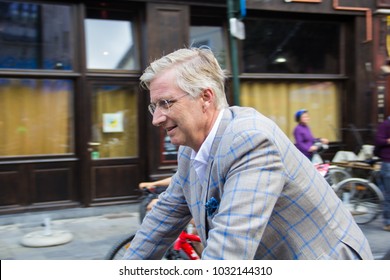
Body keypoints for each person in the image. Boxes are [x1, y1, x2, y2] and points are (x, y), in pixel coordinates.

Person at [123, 47, 373, 260]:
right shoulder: (190, 152)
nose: (156, 119)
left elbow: (229, 251)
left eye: (166, 103)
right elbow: (162, 220)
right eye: (154, 106)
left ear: (205, 98)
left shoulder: (250, 140)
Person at [375, 116, 390, 231]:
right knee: (389, 194)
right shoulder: (385, 124)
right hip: (387, 162)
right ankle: (387, 222)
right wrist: (388, 140)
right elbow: (378, 140)